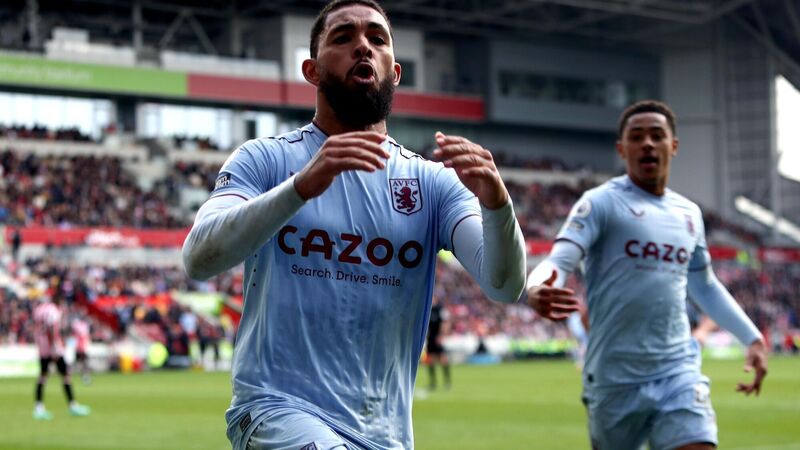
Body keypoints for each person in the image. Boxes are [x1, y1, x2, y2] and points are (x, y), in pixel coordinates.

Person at [181, 1, 526, 449]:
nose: (363, 46)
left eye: (377, 39)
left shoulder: (433, 183)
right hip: (275, 409)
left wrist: (497, 203)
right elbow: (198, 258)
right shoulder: (266, 160)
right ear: (312, 71)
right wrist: (300, 188)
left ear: (395, 73)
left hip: (385, 434)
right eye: (343, 37)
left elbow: (504, 285)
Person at [526, 100, 767, 450]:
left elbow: (704, 285)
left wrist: (753, 338)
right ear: (622, 149)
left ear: (674, 145)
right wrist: (537, 287)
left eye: (657, 135)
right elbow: (559, 261)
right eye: (637, 137)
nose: (648, 144)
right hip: (613, 378)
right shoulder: (600, 203)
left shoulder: (689, 214)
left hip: (677, 370)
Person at [32, 296, 91, 420]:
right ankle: (72, 405)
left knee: (43, 376)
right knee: (65, 375)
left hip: (42, 347)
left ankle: (38, 407)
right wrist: (54, 346)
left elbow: (37, 328)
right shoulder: (53, 310)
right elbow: (51, 328)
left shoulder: (38, 310)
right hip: (53, 348)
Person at [425, 296, 451, 391]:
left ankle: (447, 383)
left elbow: (446, 322)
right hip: (430, 338)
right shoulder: (427, 309)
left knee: (443, 359)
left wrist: (441, 335)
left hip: (438, 337)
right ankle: (433, 383)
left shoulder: (440, 309)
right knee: (430, 360)